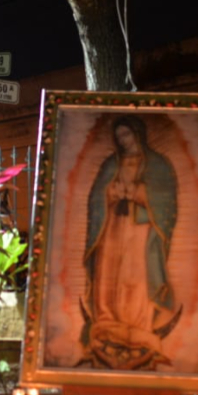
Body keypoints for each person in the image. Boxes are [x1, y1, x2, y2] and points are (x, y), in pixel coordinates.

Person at [80, 116, 181, 370]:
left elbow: (167, 200)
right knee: (108, 272)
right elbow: (95, 197)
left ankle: (137, 325)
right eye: (119, 136)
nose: (123, 141)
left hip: (140, 230)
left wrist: (139, 193)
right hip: (112, 226)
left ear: (137, 133)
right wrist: (110, 193)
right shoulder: (111, 164)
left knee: (135, 275)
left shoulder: (157, 165)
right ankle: (106, 320)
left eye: (127, 135)